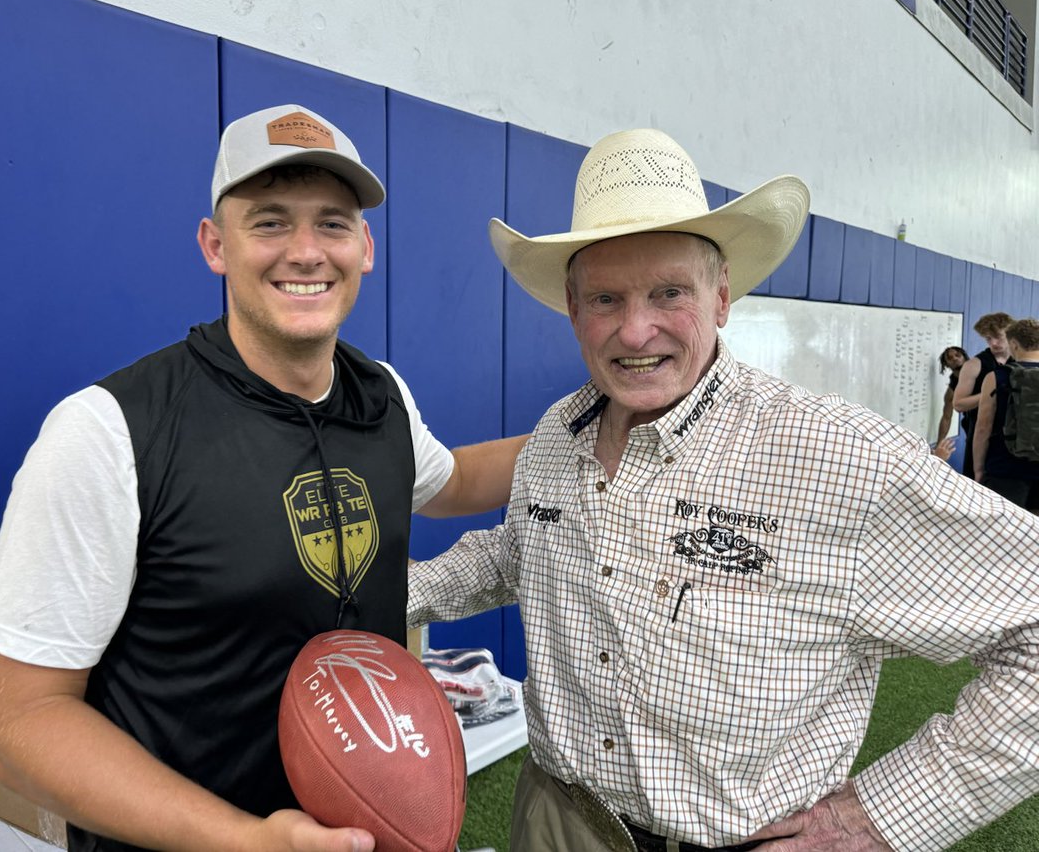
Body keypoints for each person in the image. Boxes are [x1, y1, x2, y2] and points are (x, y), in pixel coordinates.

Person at [408, 128, 1039, 852]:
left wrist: (879, 817)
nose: (635, 329)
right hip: (555, 818)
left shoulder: (837, 458)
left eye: (668, 292)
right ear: (573, 310)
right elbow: (522, 550)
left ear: (721, 299)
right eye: (606, 298)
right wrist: (391, 593)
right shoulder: (559, 432)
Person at [0, 104, 527, 852]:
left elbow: (453, 479)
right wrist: (248, 840)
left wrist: (587, 425)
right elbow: (19, 724)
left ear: (366, 247)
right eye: (269, 222)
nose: (305, 251)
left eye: (332, 223)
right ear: (215, 245)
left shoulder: (381, 396)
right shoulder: (109, 431)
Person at [973, 318, 1039, 510]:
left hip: (1005, 468)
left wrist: (978, 469)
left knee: (1003, 535)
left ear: (1014, 343)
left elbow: (983, 427)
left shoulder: (996, 377)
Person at [953, 312, 1013, 477]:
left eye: (998, 337)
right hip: (980, 433)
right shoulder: (974, 365)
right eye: (988, 339)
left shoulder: (1020, 363)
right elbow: (958, 404)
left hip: (1013, 434)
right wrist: (989, 395)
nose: (993, 343)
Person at [934, 345, 967, 455]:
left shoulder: (981, 371)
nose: (955, 359)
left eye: (958, 355)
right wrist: (939, 445)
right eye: (950, 358)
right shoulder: (952, 388)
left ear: (964, 357)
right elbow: (946, 417)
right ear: (946, 364)